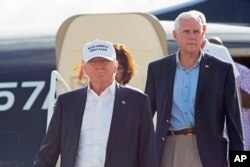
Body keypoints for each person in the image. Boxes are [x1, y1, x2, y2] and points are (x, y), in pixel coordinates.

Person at [34, 39, 158, 167]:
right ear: (85, 68)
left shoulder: (137, 102)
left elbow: (147, 153)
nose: (99, 65)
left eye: (105, 61)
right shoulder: (66, 103)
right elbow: (47, 154)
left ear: (115, 66)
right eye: (93, 61)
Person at [145, 11, 243, 167]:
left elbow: (235, 124)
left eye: (196, 31)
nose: (192, 36)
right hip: (169, 148)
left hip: (211, 152)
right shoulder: (157, 69)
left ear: (202, 34)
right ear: (175, 35)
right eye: (186, 31)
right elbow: (145, 116)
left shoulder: (222, 70)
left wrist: (241, 162)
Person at [190, 10, 240, 78]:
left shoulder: (220, 51)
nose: (192, 34)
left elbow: (233, 78)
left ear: (204, 28)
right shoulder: (181, 52)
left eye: (196, 29)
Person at [235, 62, 250, 150]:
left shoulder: (243, 72)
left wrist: (229, 83)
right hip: (213, 142)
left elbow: (248, 101)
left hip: (242, 141)